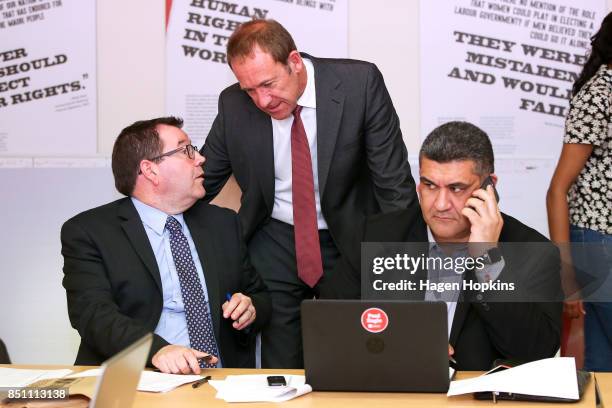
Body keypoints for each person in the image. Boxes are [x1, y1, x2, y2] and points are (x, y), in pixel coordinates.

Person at [202, 19, 416, 368]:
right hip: (274, 239)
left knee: (354, 355)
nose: (262, 100)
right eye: (250, 90)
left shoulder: (358, 85)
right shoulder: (233, 105)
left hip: (349, 236)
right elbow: (203, 180)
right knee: (282, 365)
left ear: (295, 62)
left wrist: (397, 270)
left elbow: (394, 187)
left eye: (268, 84)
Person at [333, 121, 562, 370]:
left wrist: (486, 258)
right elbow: (328, 324)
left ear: (489, 187)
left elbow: (535, 353)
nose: (440, 204)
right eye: (430, 186)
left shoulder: (534, 251)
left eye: (456, 188)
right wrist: (392, 343)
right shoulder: (377, 235)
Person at [61, 117, 271, 373]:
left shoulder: (222, 223)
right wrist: (157, 350)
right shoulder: (90, 232)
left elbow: (260, 295)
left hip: (221, 379)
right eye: (186, 150)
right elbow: (92, 314)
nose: (201, 158)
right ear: (150, 170)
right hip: (136, 377)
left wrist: (250, 307)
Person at [547, 12, 612, 372]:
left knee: (603, 360)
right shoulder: (598, 96)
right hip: (600, 241)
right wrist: (566, 274)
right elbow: (557, 189)